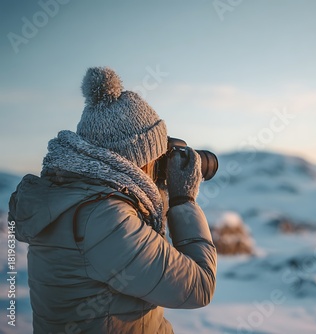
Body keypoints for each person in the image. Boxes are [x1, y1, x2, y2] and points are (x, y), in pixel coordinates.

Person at [8, 67, 217, 333]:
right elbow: (199, 286)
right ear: (138, 160)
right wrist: (183, 200)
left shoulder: (72, 200)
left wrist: (156, 198)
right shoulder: (105, 218)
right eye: (156, 156)